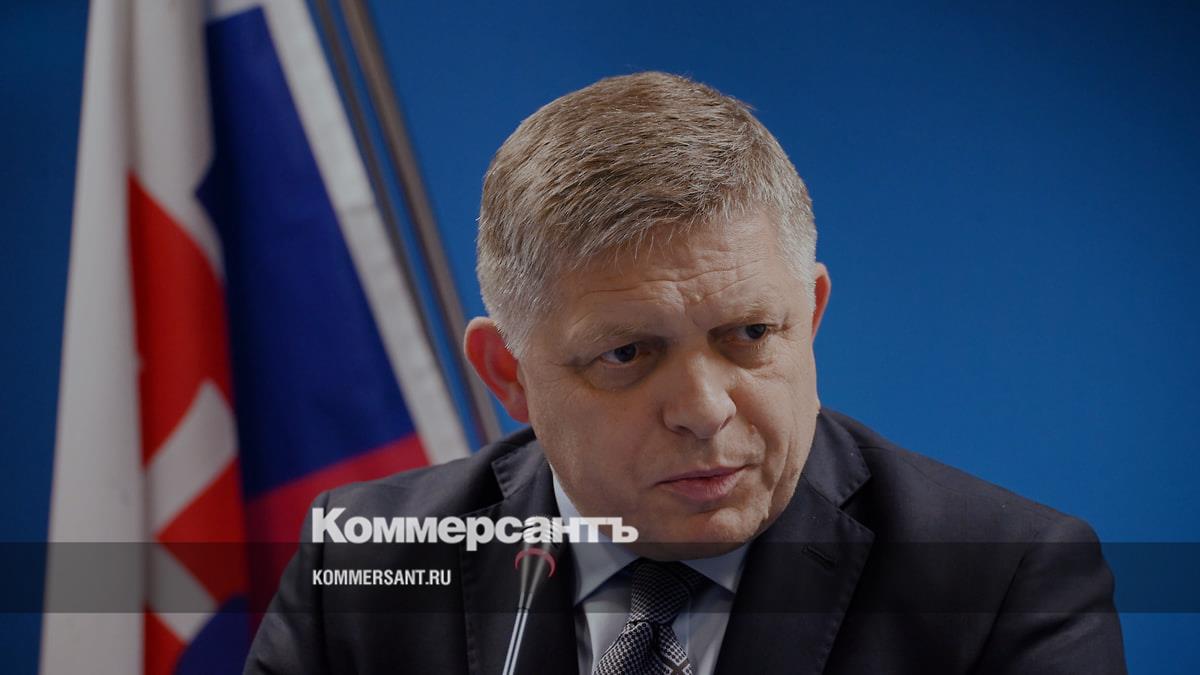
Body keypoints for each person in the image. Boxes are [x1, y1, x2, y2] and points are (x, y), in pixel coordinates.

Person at [245, 72, 1126, 674]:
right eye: (627, 354)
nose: (705, 410)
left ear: (811, 314)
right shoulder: (362, 565)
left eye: (750, 333)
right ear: (507, 373)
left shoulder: (1004, 582)